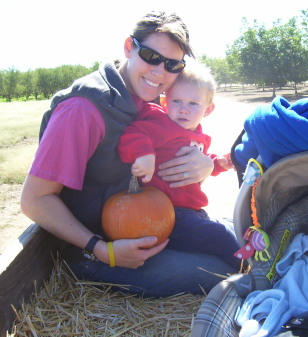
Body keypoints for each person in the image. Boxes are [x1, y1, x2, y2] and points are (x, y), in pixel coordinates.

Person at [20, 11, 239, 297]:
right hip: (98, 252)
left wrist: (207, 166)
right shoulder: (82, 111)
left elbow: (172, 148)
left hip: (155, 226)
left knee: (239, 233)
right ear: (128, 47)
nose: (160, 72)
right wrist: (100, 249)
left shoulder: (147, 100)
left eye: (173, 65)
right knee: (224, 269)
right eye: (150, 56)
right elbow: (34, 200)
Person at [117, 60, 242, 269]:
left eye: (193, 104)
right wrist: (145, 154)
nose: (184, 109)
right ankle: (248, 273)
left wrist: (218, 163)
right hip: (166, 213)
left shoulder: (197, 133)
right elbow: (134, 133)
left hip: (191, 210)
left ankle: (236, 261)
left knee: (229, 230)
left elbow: (196, 163)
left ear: (208, 109)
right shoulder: (161, 124)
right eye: (177, 101)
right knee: (221, 237)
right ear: (165, 103)